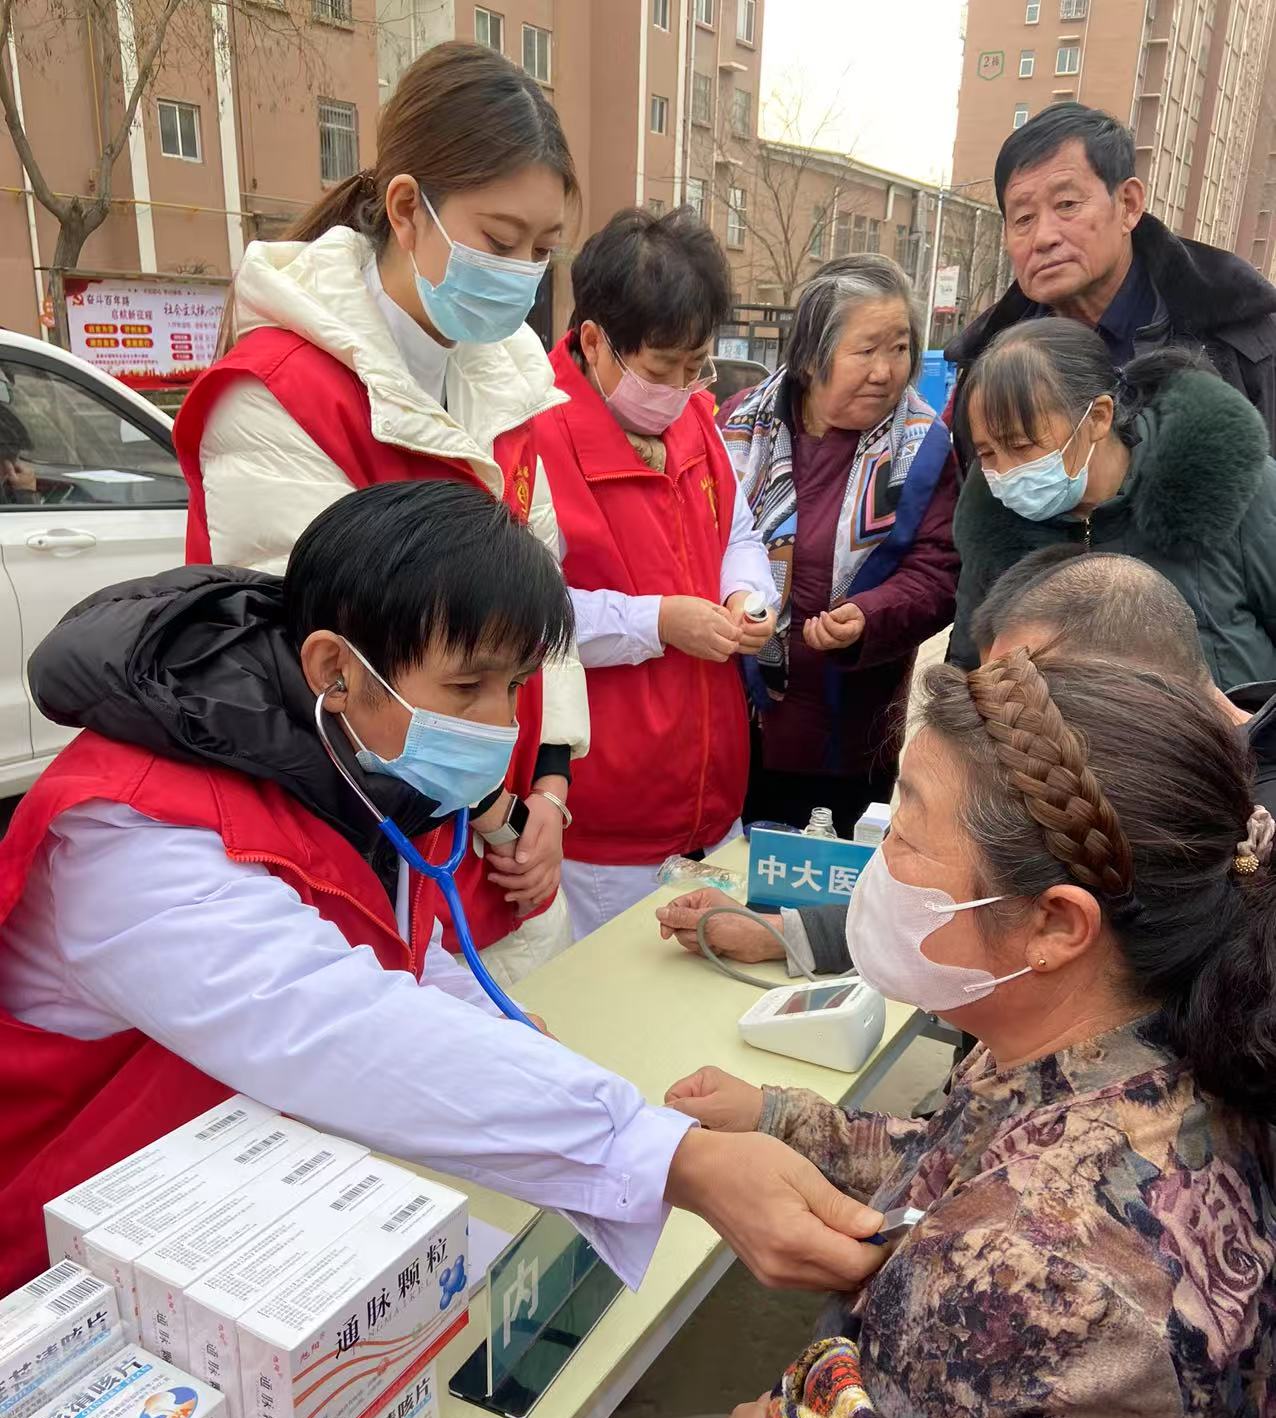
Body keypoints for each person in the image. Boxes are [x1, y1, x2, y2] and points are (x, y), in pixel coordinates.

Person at [492, 650, 1276, 1418]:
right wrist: (774, 1118)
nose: (879, 867)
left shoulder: (1033, 1272)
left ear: (1055, 925)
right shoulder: (1147, 1041)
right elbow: (943, 1157)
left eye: (907, 832)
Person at [0, 483, 888, 1294]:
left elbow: (397, 955)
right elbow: (330, 1021)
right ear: (333, 669)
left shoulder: (352, 766)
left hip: (228, 1207)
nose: (500, 724)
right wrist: (664, 1157)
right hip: (68, 1255)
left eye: (515, 687)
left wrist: (499, 1036)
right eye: (468, 687)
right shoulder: (131, 837)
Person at [172, 41, 588, 989]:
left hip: (487, 826)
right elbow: (326, 668)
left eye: (543, 249)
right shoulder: (283, 393)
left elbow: (542, 610)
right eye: (500, 241)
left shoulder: (506, 383)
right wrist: (497, 811)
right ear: (407, 209)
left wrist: (551, 787)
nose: (523, 273)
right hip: (363, 832)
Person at [656, 545, 1276, 970]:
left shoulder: (1202, 829)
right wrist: (786, 934)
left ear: (1130, 691)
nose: (1003, 729)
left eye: (1032, 699)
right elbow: (977, 906)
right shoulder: (1110, 780)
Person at [531, 207, 776, 937]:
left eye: (696, 367)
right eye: (662, 368)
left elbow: (738, 531)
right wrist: (658, 622)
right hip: (606, 827)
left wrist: (746, 594)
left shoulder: (694, 419)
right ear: (594, 341)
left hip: (713, 799)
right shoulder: (534, 436)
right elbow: (527, 616)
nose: (680, 387)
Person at [721, 256, 959, 838]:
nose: (885, 371)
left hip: (847, 732)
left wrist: (869, 616)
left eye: (899, 348)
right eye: (867, 350)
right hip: (732, 714)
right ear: (810, 357)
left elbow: (938, 570)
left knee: (826, 875)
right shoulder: (739, 426)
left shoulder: (921, 448)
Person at [948, 320, 1276, 676]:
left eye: (1021, 445)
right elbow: (968, 664)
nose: (1006, 471)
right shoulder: (991, 531)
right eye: (987, 453)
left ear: (1098, 417)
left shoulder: (1234, 485)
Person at [946, 103, 1276, 452]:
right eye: (1024, 218)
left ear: (1128, 205)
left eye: (1067, 204)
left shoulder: (1241, 342)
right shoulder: (987, 364)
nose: (1043, 237)